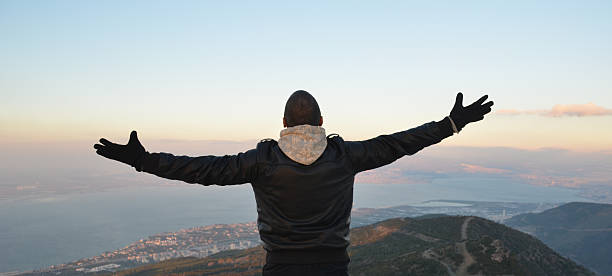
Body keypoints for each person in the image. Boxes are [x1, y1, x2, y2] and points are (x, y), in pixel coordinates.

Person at [94, 90, 493, 276]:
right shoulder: (346, 156)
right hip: (334, 269)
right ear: (321, 122)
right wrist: (451, 123)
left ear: (284, 124)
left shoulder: (262, 161)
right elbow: (402, 143)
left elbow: (200, 169)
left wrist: (142, 160)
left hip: (280, 269)